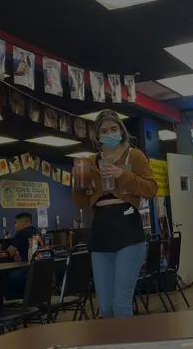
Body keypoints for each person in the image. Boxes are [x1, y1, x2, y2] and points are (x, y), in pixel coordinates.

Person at [72, 109, 157, 319]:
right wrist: (77, 185)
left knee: (121, 304)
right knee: (106, 307)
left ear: (121, 130)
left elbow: (151, 189)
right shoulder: (91, 163)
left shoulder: (134, 155)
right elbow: (82, 202)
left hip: (128, 227)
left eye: (113, 129)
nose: (109, 134)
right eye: (104, 131)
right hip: (101, 228)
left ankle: (126, 337)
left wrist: (122, 175)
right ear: (97, 135)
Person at [3, 213, 38, 299]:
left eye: (16, 223)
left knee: (4, 276)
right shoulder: (37, 232)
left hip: (28, 270)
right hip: (39, 269)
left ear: (21, 224)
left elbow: (9, 253)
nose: (15, 226)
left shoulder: (21, 233)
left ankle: (13, 301)